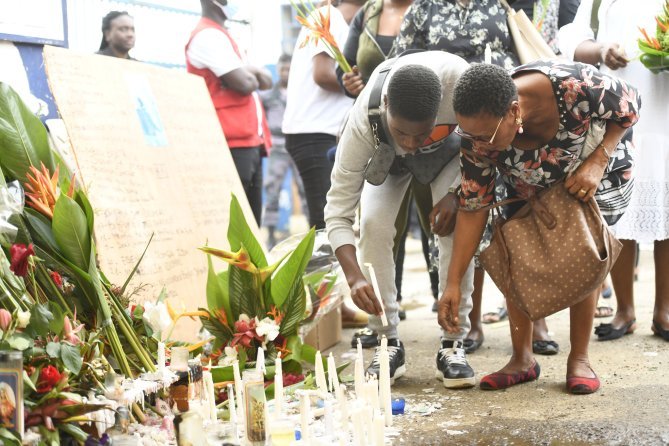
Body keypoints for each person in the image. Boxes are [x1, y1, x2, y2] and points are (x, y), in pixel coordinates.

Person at [441, 62, 639, 394]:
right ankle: (522, 359)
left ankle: (579, 359)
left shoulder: (575, 86)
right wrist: (453, 283)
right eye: (468, 134)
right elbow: (473, 207)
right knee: (514, 246)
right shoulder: (479, 137)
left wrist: (598, 160)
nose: (478, 144)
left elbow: (630, 106)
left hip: (591, 170)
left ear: (514, 111)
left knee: (582, 249)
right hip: (528, 180)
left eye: (484, 136)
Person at [326, 50, 478, 389]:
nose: (410, 144)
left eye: (418, 135)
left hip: (450, 151)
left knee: (455, 226)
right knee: (373, 224)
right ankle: (387, 340)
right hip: (384, 156)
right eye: (402, 133)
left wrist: (456, 192)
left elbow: (484, 144)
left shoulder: (460, 83)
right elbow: (337, 211)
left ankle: (453, 342)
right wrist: (354, 277)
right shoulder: (363, 122)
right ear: (385, 108)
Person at [559, 0, 669, 342]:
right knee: (619, 212)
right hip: (617, 114)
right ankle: (625, 309)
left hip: (665, 110)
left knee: (667, 209)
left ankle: (665, 310)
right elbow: (573, 39)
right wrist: (602, 49)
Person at [335, 0, 427, 347]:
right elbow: (343, 68)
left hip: (429, 127)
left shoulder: (428, 8)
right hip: (379, 128)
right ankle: (385, 316)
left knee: (437, 221)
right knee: (378, 225)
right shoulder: (368, 13)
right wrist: (350, 81)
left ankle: (450, 322)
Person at [186, 0, 273, 225]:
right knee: (235, 224)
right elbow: (245, 83)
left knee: (251, 223)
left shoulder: (225, 35)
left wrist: (247, 71)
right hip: (229, 144)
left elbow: (266, 81)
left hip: (249, 142)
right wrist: (248, 73)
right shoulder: (207, 36)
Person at [282, 0, 364, 231]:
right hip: (314, 133)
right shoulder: (330, 16)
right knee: (327, 224)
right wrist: (365, 87)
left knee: (332, 221)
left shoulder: (337, 21)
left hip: (320, 133)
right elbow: (323, 75)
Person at [260, 54, 307, 248]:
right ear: (278, 70)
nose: (286, 72)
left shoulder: (301, 94)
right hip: (277, 147)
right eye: (282, 69)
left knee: (305, 188)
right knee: (272, 189)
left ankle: (314, 232)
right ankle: (271, 235)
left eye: (289, 69)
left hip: (297, 145)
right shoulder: (268, 96)